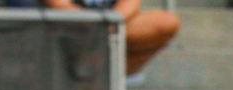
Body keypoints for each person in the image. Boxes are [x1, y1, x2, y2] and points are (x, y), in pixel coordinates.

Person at [43, 0, 179, 77]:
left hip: (110, 28)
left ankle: (102, 73)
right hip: (67, 28)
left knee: (167, 22)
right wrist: (93, 26)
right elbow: (60, 6)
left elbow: (129, 5)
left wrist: (107, 24)